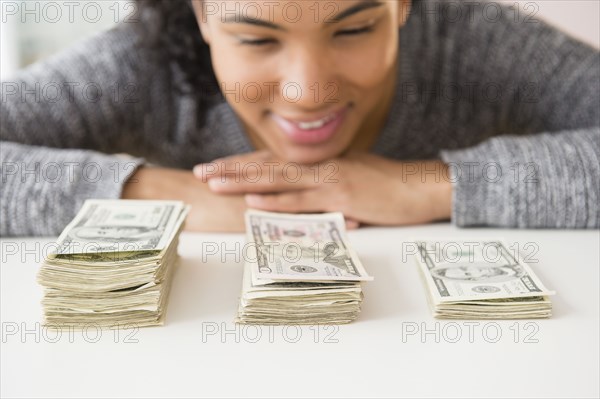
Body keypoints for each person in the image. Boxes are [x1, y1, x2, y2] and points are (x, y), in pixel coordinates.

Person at [1, 0, 598, 237]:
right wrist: (168, 195)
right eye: (256, 40)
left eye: (355, 28)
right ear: (203, 17)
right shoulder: (149, 59)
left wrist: (421, 185)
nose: (307, 91)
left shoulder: (468, 39)